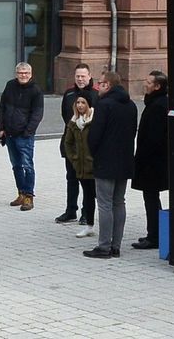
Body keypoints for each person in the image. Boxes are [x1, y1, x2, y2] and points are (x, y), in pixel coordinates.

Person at [84, 72, 138, 259]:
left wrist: (94, 152)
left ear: (108, 85)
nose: (97, 87)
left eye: (100, 84)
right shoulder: (131, 105)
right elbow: (132, 132)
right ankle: (116, 245)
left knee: (105, 204)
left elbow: (95, 135)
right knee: (119, 202)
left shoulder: (104, 105)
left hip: (106, 161)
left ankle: (104, 246)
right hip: (124, 160)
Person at [57, 63, 99, 223]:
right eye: (77, 76)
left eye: (83, 76)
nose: (80, 79)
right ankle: (70, 210)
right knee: (71, 178)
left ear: (89, 76)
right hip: (71, 145)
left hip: (88, 147)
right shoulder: (68, 94)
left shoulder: (96, 95)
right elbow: (65, 116)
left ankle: (86, 213)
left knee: (88, 182)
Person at [131, 71, 169, 250]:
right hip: (153, 162)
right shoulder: (155, 103)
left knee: (151, 197)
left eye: (148, 82)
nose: (144, 84)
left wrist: (142, 158)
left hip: (153, 163)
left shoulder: (158, 106)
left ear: (157, 86)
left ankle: (154, 236)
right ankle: (153, 233)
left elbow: (154, 139)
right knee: (151, 197)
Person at [0, 61, 43, 210]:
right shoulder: (10, 85)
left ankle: (29, 196)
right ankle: (21, 193)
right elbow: (2, 107)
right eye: (20, 73)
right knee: (16, 166)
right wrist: (1, 127)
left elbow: (37, 114)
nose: (23, 75)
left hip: (24, 135)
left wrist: (28, 132)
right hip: (9, 134)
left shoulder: (36, 90)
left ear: (31, 74)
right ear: (16, 74)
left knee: (27, 166)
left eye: (26, 73)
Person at [62, 95, 96, 239]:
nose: (80, 105)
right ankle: (89, 225)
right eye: (78, 103)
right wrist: (74, 159)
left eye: (83, 102)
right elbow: (68, 143)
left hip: (95, 166)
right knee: (88, 196)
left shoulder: (95, 120)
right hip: (81, 167)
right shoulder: (73, 122)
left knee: (100, 197)